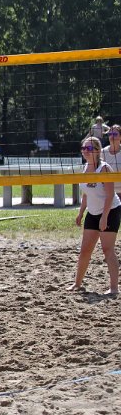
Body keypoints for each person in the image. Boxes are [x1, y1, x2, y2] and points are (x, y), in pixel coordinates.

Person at [70, 137, 120, 296]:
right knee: (85, 250)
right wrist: (81, 212)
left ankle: (114, 288)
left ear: (97, 151)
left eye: (89, 148)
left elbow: (110, 195)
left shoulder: (104, 168)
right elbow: (86, 193)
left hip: (110, 211)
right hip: (92, 213)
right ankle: (77, 284)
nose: (85, 151)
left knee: (107, 249)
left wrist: (104, 217)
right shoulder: (85, 167)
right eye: (83, 148)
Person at [103, 125, 121, 197]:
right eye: (110, 134)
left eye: (115, 134)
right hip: (107, 192)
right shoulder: (102, 152)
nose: (112, 136)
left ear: (120, 137)